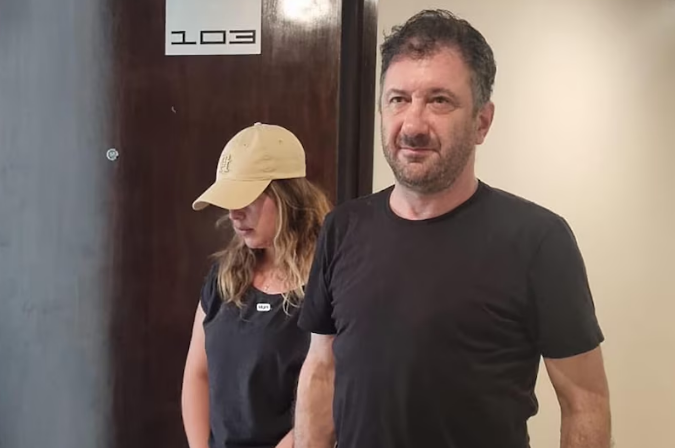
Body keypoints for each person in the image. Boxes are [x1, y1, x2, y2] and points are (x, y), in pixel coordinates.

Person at [295, 9, 611, 448]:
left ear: (482, 122)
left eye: (439, 100)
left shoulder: (538, 241)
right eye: (398, 99)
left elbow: (584, 401)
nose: (412, 125)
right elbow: (321, 369)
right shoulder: (342, 228)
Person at [181, 122, 331, 448]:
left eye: (246, 199)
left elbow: (333, 389)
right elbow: (197, 374)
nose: (234, 213)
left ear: (288, 197)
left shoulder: (327, 281)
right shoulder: (224, 276)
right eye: (229, 200)